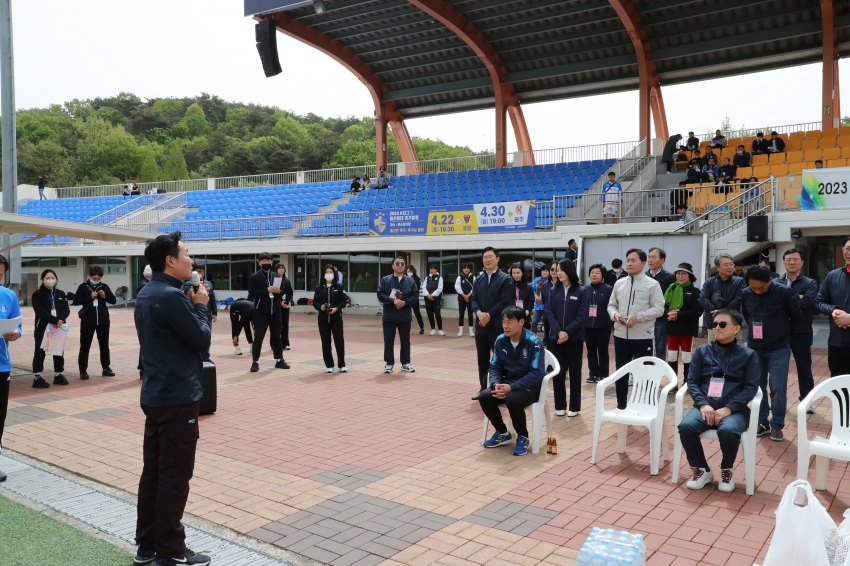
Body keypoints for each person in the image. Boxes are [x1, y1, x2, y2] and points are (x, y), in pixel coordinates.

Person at [133, 232, 212, 566]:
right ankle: (171, 549)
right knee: (175, 474)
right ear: (170, 260)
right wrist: (202, 307)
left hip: (155, 393)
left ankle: (147, 544)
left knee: (154, 471)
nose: (191, 260)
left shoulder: (147, 293)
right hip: (177, 396)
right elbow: (200, 339)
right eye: (187, 253)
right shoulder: (170, 296)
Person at [678, 308, 760, 493]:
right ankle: (702, 470)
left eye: (723, 324)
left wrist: (729, 408)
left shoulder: (748, 355)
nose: (717, 328)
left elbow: (751, 388)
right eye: (714, 324)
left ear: (737, 328)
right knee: (686, 427)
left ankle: (726, 470)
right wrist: (703, 404)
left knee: (729, 430)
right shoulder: (702, 351)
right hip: (705, 406)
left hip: (735, 410)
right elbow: (692, 381)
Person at [741, 265, 803, 442]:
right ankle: (762, 422)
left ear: (770, 280)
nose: (758, 291)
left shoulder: (784, 292)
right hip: (755, 348)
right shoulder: (746, 293)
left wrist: (782, 334)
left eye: (761, 287)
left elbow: (796, 316)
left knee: (777, 388)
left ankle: (777, 424)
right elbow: (747, 315)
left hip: (779, 348)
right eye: (754, 288)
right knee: (757, 388)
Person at [479, 306, 545, 457]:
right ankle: (503, 433)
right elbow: (494, 366)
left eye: (510, 322)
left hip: (529, 386)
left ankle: (523, 436)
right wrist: (496, 385)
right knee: (485, 396)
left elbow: (537, 373)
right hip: (506, 382)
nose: (505, 326)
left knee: (512, 399)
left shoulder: (534, 342)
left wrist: (512, 387)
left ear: (521, 322)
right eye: (503, 322)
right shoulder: (500, 340)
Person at [607, 248, 665, 410]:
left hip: (642, 337)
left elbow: (659, 309)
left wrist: (637, 317)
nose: (629, 263)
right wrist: (615, 315)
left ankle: (644, 406)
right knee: (621, 372)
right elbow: (611, 305)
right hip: (620, 336)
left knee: (645, 375)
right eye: (628, 260)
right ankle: (621, 406)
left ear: (643, 263)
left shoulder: (652, 284)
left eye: (633, 260)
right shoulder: (619, 283)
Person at [546, 259, 589, 417]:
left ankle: (574, 407)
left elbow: (582, 315)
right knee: (558, 372)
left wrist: (567, 332)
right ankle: (560, 405)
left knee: (575, 373)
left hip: (574, 338)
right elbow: (549, 313)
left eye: (561, 270)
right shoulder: (553, 290)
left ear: (570, 271)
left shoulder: (582, 291)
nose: (558, 273)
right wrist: (559, 332)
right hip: (556, 339)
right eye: (557, 270)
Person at [776, 250, 817, 412]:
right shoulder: (776, 282)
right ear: (784, 262)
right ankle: (778, 401)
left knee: (804, 368)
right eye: (788, 260)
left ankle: (807, 402)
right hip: (780, 332)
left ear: (801, 262)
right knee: (778, 368)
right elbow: (775, 303)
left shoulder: (810, 283)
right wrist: (797, 297)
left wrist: (788, 301)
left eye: (795, 260)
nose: (792, 262)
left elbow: (808, 302)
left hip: (801, 331)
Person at [471, 247, 515, 395]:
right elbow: (474, 299)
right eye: (485, 257)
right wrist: (479, 314)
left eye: (490, 257)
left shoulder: (506, 279)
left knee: (500, 359)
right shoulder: (479, 278)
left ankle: (499, 389)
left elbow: (505, 302)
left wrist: (488, 315)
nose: (487, 260)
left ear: (497, 258)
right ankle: (484, 389)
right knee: (482, 360)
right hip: (481, 326)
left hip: (497, 326)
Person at [247, 253, 290, 372]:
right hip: (261, 312)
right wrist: (266, 290)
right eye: (263, 260)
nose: (266, 262)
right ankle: (255, 362)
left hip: (275, 311)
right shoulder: (254, 277)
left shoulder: (276, 276)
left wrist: (278, 292)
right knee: (258, 338)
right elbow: (252, 293)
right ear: (259, 262)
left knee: (277, 337)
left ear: (272, 262)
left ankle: (279, 360)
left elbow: (283, 292)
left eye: (268, 260)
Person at [0, 253, 22, 483]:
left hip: (1, 366)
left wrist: (15, 334)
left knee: (0, 416)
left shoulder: (8, 296)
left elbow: (18, 325)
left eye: (1, 274)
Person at [73, 267, 116, 380]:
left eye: (98, 278)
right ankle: (83, 370)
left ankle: (106, 367)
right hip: (87, 321)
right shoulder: (83, 287)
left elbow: (113, 300)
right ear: (89, 276)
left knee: (104, 345)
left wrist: (104, 296)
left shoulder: (104, 286)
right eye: (94, 278)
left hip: (103, 321)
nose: (96, 280)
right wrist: (89, 297)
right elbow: (76, 301)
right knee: (85, 346)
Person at [815, 237, 850, 377]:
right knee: (838, 389)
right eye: (847, 249)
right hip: (837, 344)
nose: (849, 253)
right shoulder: (833, 276)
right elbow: (818, 302)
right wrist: (833, 310)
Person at [377, 256, 419, 373]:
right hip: (389, 316)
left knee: (405, 340)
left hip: (404, 316)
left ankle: (406, 362)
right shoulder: (386, 280)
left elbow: (415, 296)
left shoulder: (410, 281)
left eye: (402, 264)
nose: (400, 266)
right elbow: (380, 294)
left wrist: (405, 302)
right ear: (393, 266)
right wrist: (393, 301)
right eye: (398, 263)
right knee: (389, 340)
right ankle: (389, 363)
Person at [664, 263, 702, 387]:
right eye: (678, 274)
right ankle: (673, 384)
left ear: (690, 276)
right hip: (672, 328)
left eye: (684, 274)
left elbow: (697, 311)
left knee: (686, 357)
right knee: (671, 357)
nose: (680, 276)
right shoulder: (671, 289)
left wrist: (678, 315)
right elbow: (662, 306)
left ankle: (687, 383)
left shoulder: (695, 292)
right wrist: (668, 314)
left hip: (687, 329)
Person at [31, 269, 70, 388]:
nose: (50, 280)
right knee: (40, 351)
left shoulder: (61, 294)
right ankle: (37, 376)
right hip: (43, 327)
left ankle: (58, 374)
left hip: (58, 327)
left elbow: (66, 309)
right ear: (42, 280)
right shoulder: (37, 295)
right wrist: (54, 320)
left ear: (56, 279)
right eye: (47, 278)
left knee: (58, 350)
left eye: (52, 278)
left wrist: (61, 319)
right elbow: (39, 311)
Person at [699, 253, 745, 341]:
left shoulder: (739, 281)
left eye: (732, 264)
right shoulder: (710, 281)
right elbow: (702, 298)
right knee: (714, 352)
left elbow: (738, 299)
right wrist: (714, 312)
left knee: (735, 352)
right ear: (717, 267)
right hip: (714, 323)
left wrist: (720, 312)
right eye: (726, 265)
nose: (730, 267)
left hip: (733, 323)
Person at [313, 264, 348, 373]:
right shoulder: (318, 287)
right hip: (323, 319)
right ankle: (329, 365)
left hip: (336, 318)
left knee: (339, 341)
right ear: (323, 274)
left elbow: (344, 301)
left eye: (331, 272)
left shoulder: (339, 286)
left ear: (334, 274)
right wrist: (321, 307)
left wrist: (337, 308)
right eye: (327, 272)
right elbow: (315, 302)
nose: (329, 274)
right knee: (326, 341)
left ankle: (342, 364)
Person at [585, 264, 613, 384]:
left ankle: (603, 373)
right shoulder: (584, 289)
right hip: (587, 325)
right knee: (590, 351)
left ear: (602, 275)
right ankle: (593, 373)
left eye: (597, 272)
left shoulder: (608, 289)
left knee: (602, 350)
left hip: (603, 325)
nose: (594, 275)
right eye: (592, 272)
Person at [646, 247, 676, 362]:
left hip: (661, 318)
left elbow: (672, 298)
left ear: (662, 260)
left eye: (653, 257)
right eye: (649, 257)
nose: (650, 260)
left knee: (660, 347)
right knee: (643, 346)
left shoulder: (669, 277)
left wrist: (668, 312)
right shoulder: (643, 276)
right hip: (644, 318)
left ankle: (658, 373)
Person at [274, 263, 294, 351]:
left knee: (285, 324)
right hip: (277, 305)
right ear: (276, 270)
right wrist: (279, 302)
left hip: (285, 305)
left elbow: (290, 293)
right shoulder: (275, 280)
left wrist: (289, 302)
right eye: (279, 268)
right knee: (276, 325)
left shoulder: (287, 281)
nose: (281, 270)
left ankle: (286, 343)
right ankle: (275, 344)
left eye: (283, 268)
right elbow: (274, 294)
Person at [510, 262, 534, 329]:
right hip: (512, 316)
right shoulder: (509, 286)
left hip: (524, 317)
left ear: (522, 273)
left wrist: (527, 311)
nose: (515, 275)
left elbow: (531, 301)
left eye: (518, 273)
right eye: (513, 273)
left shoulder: (529, 287)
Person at [423, 264, 445, 336]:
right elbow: (424, 288)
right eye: (430, 269)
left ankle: (440, 329)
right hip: (427, 299)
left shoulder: (439, 278)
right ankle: (433, 329)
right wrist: (428, 295)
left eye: (433, 269)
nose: (431, 270)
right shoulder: (427, 278)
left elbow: (440, 288)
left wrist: (432, 295)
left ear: (436, 270)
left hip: (436, 299)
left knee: (437, 315)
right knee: (430, 314)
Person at [455, 263, 475, 337]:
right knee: (461, 314)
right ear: (462, 269)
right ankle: (460, 331)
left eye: (467, 268)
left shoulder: (474, 277)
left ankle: (471, 331)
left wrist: (468, 295)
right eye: (464, 268)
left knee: (470, 314)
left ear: (470, 269)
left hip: (471, 298)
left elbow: (475, 288)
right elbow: (457, 287)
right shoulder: (459, 277)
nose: (466, 269)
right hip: (461, 298)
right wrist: (464, 295)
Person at [529, 265, 549, 336]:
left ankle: (545, 340)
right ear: (541, 272)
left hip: (547, 305)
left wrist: (543, 299)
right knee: (534, 323)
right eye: (543, 271)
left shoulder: (550, 281)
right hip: (538, 305)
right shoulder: (536, 279)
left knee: (547, 323)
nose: (545, 272)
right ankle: (533, 338)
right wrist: (537, 297)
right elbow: (532, 290)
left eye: (547, 271)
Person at [407, 265, 426, 335]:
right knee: (406, 313)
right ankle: (406, 328)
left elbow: (416, 289)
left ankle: (421, 327)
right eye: (408, 271)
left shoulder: (417, 279)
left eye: (410, 271)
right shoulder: (405, 278)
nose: (409, 273)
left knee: (417, 313)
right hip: (406, 298)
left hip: (414, 298)